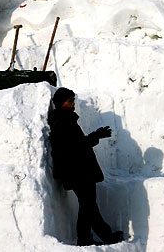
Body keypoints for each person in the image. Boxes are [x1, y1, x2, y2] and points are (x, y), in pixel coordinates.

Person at [48, 87, 124, 247]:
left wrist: (95, 136)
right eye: (70, 101)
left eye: (73, 100)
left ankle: (101, 236)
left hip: (79, 170)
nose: (73, 103)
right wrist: (96, 136)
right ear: (61, 103)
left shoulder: (66, 119)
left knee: (88, 205)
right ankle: (88, 238)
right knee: (88, 205)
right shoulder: (62, 121)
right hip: (77, 171)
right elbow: (74, 147)